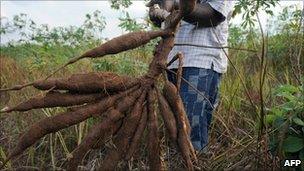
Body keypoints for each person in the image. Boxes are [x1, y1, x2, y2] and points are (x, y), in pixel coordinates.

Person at [148, 0, 234, 152]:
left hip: (201, 60)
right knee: (174, 127)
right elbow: (165, 14)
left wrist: (174, 4)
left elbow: (213, 15)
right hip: (172, 58)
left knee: (190, 128)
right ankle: (179, 162)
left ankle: (194, 162)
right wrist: (159, 11)